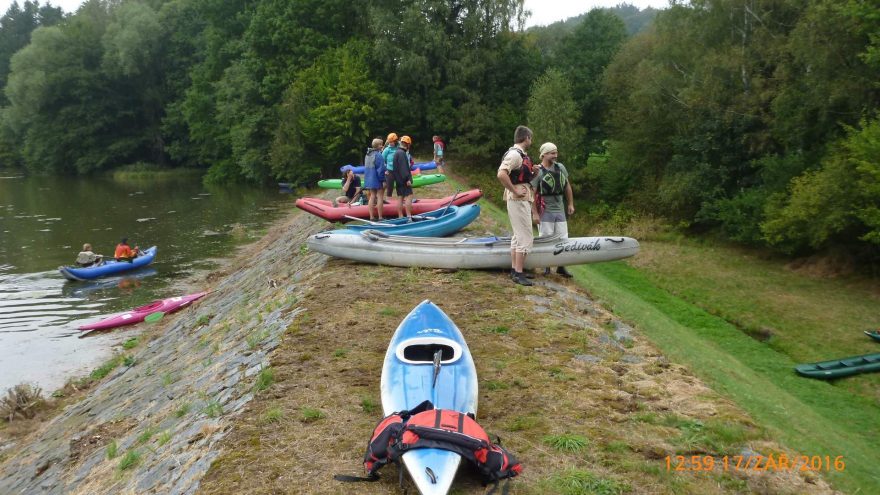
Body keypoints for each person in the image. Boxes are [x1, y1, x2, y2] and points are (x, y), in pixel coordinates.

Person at [497, 125, 539, 286]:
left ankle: (515, 271)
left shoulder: (520, 155)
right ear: (526, 138)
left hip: (520, 197)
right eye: (530, 138)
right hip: (518, 199)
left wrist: (534, 172)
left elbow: (523, 176)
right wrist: (514, 189)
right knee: (525, 236)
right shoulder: (515, 155)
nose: (531, 141)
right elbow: (501, 173)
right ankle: (519, 273)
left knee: (517, 236)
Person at [531, 142, 575, 278]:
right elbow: (532, 193)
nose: (555, 155)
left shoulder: (560, 167)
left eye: (556, 152)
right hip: (545, 211)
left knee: (563, 238)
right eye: (552, 153)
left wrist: (570, 204)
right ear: (544, 154)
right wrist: (535, 213)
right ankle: (547, 267)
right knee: (546, 238)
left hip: (560, 209)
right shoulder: (538, 172)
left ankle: (561, 267)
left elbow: (567, 186)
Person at [392, 135, 415, 220]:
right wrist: (407, 179)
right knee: (409, 196)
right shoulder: (402, 153)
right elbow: (403, 168)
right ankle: (409, 216)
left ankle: (400, 216)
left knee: (400, 197)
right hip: (403, 180)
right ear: (408, 144)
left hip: (398, 179)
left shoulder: (397, 152)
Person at [363, 138, 385, 221]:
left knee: (372, 196)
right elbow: (381, 169)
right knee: (380, 196)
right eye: (381, 144)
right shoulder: (378, 155)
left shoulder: (367, 154)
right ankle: (380, 217)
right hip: (377, 179)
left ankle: (371, 217)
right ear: (378, 146)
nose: (382, 146)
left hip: (369, 179)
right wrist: (382, 180)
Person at [382, 133, 399, 199]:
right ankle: (389, 200)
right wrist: (385, 170)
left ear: (395, 141)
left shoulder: (399, 148)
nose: (390, 143)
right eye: (389, 142)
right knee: (390, 187)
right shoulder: (387, 150)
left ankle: (401, 199)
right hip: (390, 170)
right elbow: (382, 161)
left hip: (398, 170)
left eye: (392, 142)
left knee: (400, 186)